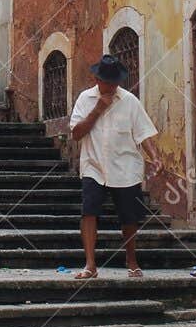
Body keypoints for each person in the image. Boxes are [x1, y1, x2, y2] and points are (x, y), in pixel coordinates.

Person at [68, 54, 164, 279]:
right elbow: (76, 134)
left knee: (129, 217)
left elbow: (144, 133)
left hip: (125, 166)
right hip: (94, 165)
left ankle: (132, 261)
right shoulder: (85, 99)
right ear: (97, 80)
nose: (110, 86)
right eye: (106, 82)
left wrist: (156, 157)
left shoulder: (130, 101)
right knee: (89, 211)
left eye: (114, 82)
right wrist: (98, 109)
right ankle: (90, 265)